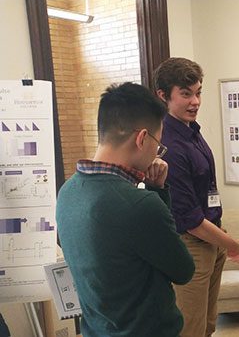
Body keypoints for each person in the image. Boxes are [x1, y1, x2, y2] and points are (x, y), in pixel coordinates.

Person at [56, 83, 195, 336]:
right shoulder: (139, 204)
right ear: (142, 138)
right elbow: (183, 270)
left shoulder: (68, 192)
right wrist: (158, 192)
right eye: (158, 144)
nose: (157, 153)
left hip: (97, 329)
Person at [154, 57, 239, 337]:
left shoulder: (192, 132)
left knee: (207, 324)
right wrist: (237, 246)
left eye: (198, 92)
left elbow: (206, 194)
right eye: (186, 94)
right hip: (192, 244)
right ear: (163, 95)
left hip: (212, 238)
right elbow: (190, 219)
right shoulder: (170, 144)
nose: (195, 101)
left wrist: (222, 241)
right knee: (190, 328)